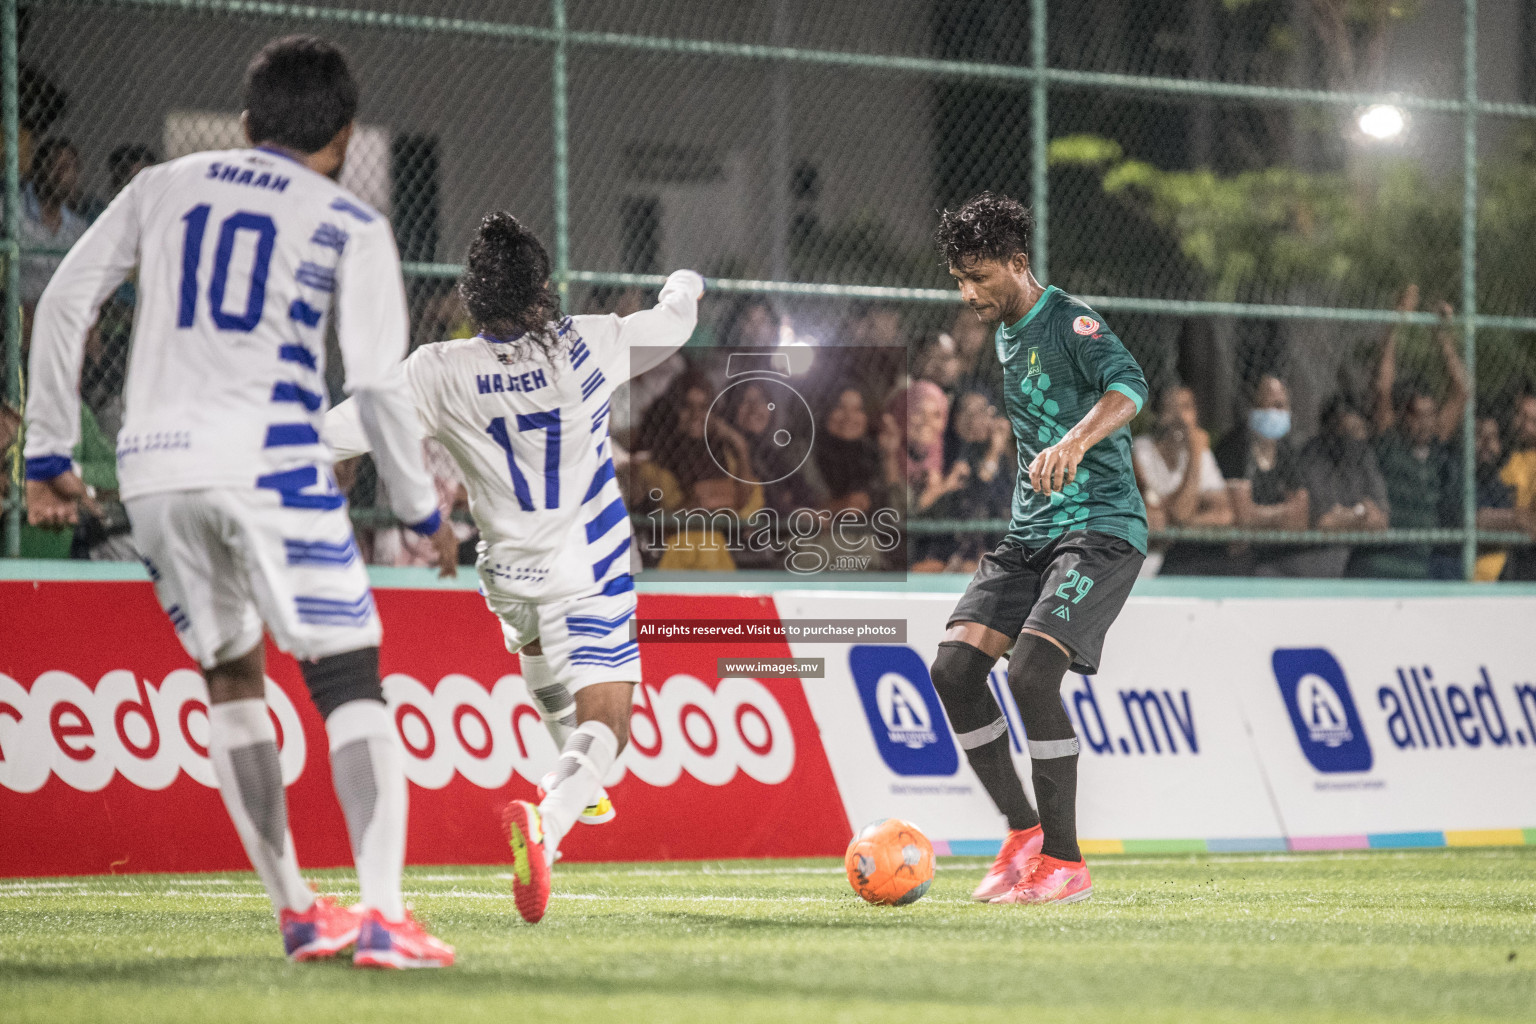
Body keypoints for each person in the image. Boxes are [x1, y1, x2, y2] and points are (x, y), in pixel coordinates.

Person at [22, 36, 456, 968]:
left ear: (248, 123)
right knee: (348, 676)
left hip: (153, 469)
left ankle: (299, 910)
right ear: (342, 138)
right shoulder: (347, 220)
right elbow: (379, 387)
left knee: (230, 675)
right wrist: (422, 510)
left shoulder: (158, 188)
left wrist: (46, 451)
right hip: (267, 458)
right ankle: (383, 914)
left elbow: (63, 302)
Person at [326, 212, 704, 925]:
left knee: (534, 649)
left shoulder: (438, 370)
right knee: (611, 719)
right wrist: (685, 284)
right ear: (541, 293)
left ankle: (575, 778)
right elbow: (672, 322)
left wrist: (261, 453)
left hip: (506, 572)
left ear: (475, 300)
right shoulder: (586, 345)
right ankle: (553, 814)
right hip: (586, 566)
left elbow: (349, 429)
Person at [930, 192, 1148, 905]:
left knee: (1028, 678)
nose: (968, 293)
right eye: (959, 279)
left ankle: (1065, 863)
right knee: (956, 671)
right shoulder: (1002, 326)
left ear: (1018, 264)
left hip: (1100, 531)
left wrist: (1075, 440)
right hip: (1031, 533)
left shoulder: (1069, 322)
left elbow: (1131, 386)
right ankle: (1024, 835)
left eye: (979, 277)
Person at [1361, 290, 1468, 578]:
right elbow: (1383, 388)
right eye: (1416, 415)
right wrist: (1396, 321)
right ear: (1402, 417)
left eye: (1430, 415)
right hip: (1380, 567)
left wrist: (1441, 335)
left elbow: (1461, 392)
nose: (1425, 423)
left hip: (1418, 569)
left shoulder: (1434, 449)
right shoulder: (1390, 445)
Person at [1213, 374, 1311, 576]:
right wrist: (1283, 513)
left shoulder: (1286, 450)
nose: (1276, 412)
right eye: (1270, 405)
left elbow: (1300, 518)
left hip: (1277, 550)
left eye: (1281, 406)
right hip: (1234, 552)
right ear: (1254, 408)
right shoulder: (1235, 447)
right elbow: (1243, 517)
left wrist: (1260, 514)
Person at [1132, 384, 1233, 575]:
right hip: (1147, 556)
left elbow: (1224, 513)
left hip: (1185, 552)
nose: (1180, 417)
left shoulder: (1200, 453)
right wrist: (1194, 456)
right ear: (1158, 415)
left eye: (1187, 407)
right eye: (1172, 408)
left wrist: (1179, 526)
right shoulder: (1141, 451)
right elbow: (1177, 513)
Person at [1297, 400, 1390, 577]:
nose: (1353, 439)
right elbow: (1324, 521)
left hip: (1351, 558)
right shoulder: (1313, 456)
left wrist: (1345, 516)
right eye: (1346, 432)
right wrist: (1361, 514)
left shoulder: (1364, 456)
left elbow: (1381, 521)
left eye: (1358, 431)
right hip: (1313, 558)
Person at [19, 136, 89, 340]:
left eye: (69, 167)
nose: (62, 174)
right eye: (54, 165)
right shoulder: (10, 212)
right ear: (37, 171)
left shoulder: (78, 229)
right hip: (15, 309)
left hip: (63, 314)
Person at [1499, 395, 1536, 580]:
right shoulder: (1503, 458)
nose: (1524, 424)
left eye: (1531, 420)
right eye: (1521, 417)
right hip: (1512, 544)